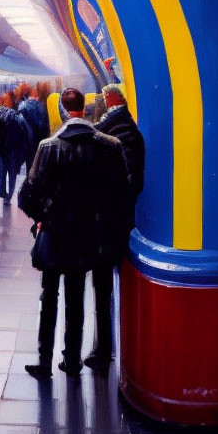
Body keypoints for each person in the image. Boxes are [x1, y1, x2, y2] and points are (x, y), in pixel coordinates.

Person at [18, 88, 130, 377]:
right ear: (86, 109)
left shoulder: (48, 147)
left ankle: (45, 361)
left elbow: (27, 196)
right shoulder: (111, 146)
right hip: (94, 236)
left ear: (65, 112)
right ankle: (72, 360)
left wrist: (44, 217)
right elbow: (122, 193)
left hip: (57, 236)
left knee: (50, 297)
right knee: (79, 297)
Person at [85, 84, 145, 370]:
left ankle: (105, 350)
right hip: (117, 222)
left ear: (110, 102)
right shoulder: (126, 129)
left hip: (109, 225)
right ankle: (104, 348)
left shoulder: (116, 136)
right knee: (105, 289)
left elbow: (129, 183)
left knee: (104, 289)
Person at [0, 92, 30, 205]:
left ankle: (1, 192)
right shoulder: (15, 115)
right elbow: (22, 133)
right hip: (12, 150)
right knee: (12, 173)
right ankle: (8, 198)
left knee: (1, 171)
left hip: (1, 150)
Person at [17, 83, 48, 171]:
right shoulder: (40, 105)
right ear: (34, 92)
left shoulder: (22, 106)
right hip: (38, 141)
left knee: (30, 166)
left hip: (28, 142)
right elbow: (41, 125)